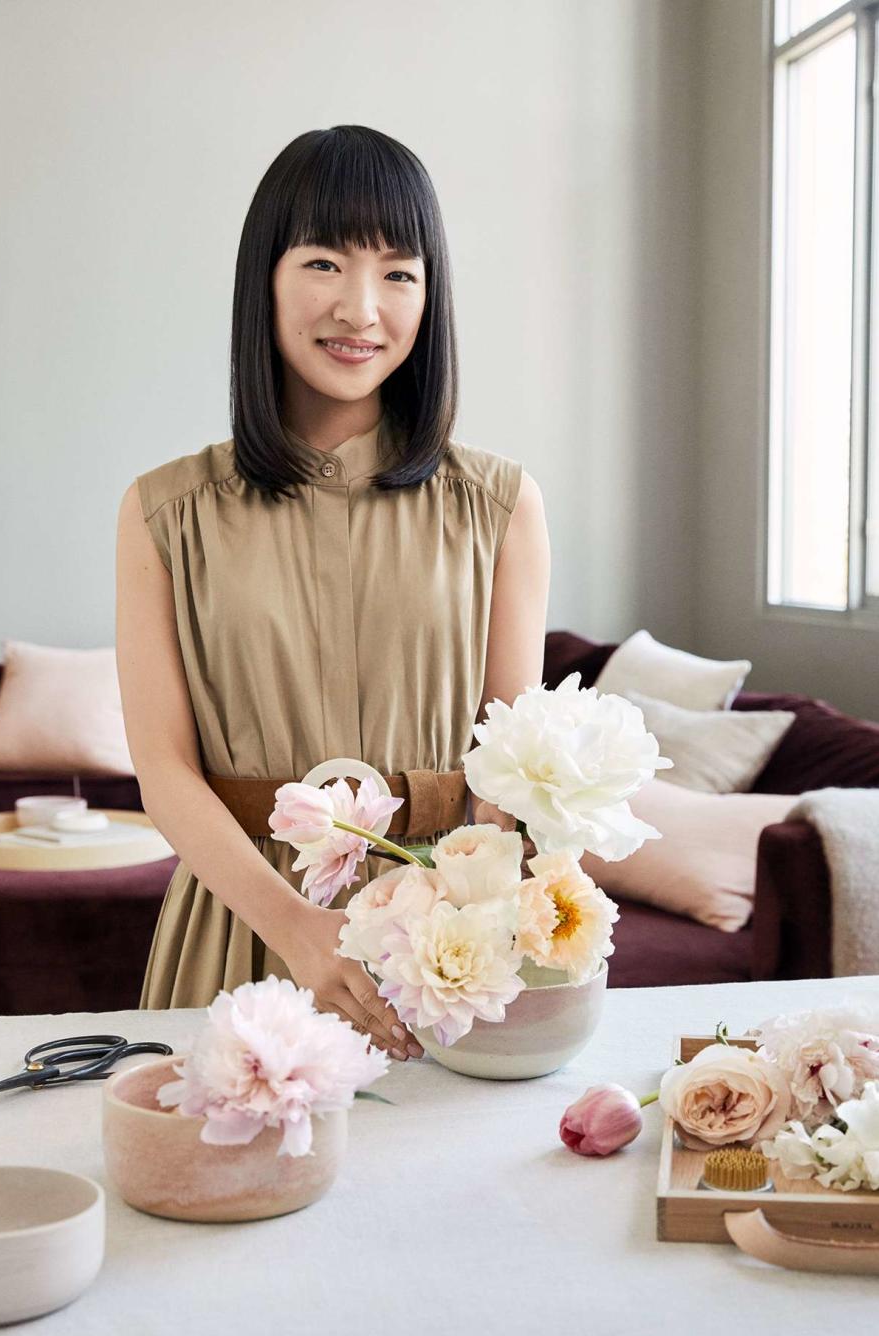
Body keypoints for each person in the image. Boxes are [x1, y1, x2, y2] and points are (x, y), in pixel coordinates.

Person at [115, 125, 551, 1063]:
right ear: (264, 280)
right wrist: (299, 929)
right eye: (324, 262)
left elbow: (507, 772)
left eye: (400, 272)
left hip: (441, 942)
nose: (362, 308)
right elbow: (164, 771)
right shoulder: (164, 511)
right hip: (241, 923)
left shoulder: (499, 506)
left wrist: (447, 922)